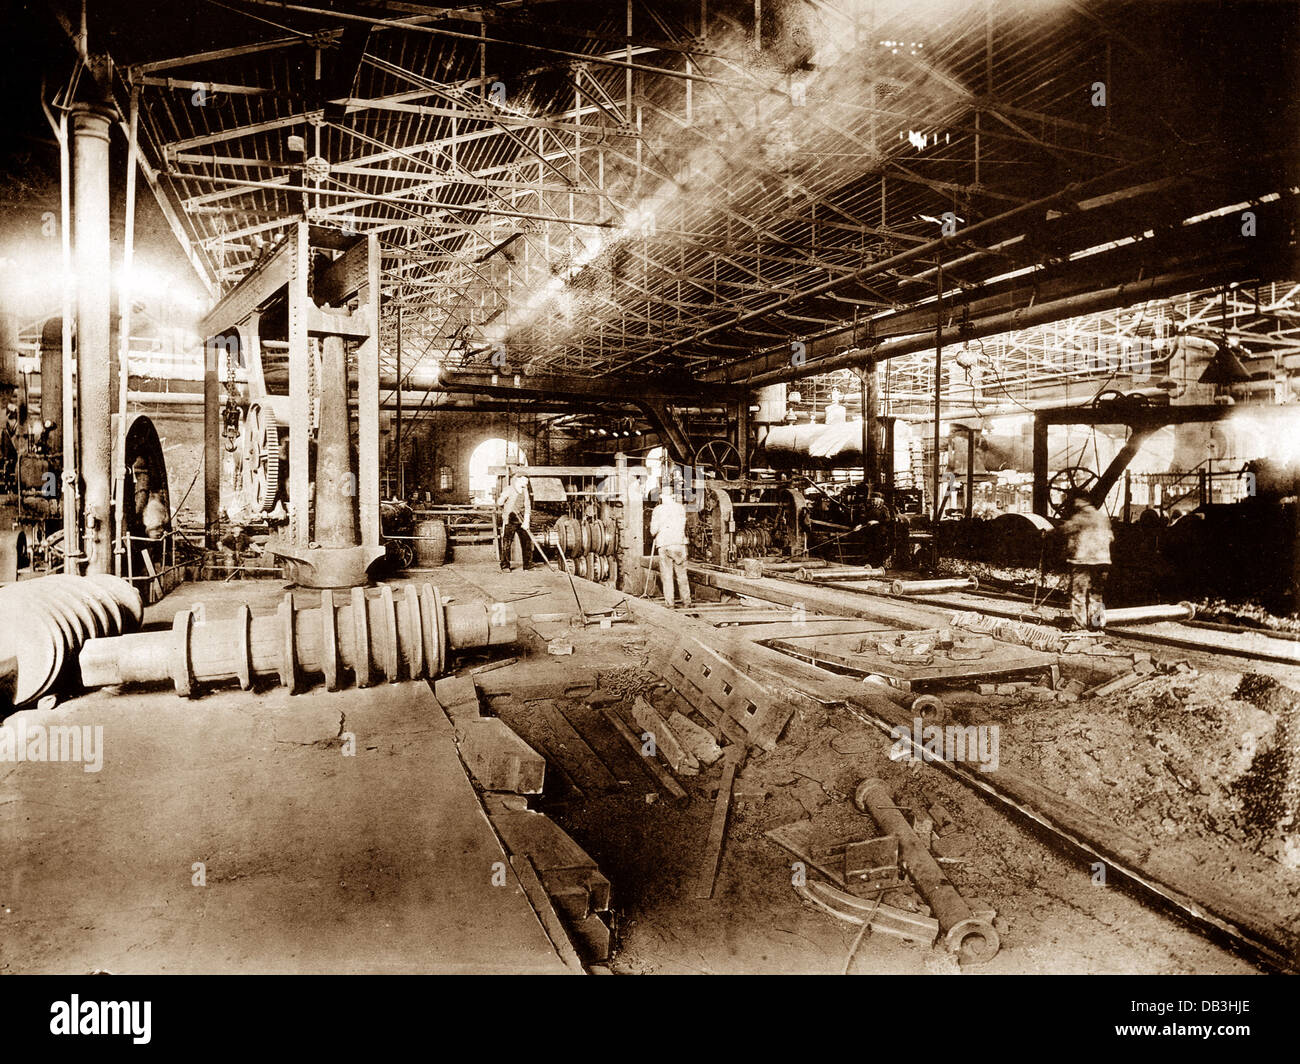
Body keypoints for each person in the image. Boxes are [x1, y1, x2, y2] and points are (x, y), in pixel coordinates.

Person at [1060, 493, 1113, 629]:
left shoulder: (1080, 517)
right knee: (1096, 594)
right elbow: (1111, 537)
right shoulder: (1102, 517)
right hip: (1103, 561)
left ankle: (1079, 625)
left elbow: (1064, 530)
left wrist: (1046, 533)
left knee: (1078, 594)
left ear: (1081, 501)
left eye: (1076, 501)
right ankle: (1096, 624)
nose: (1075, 504)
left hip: (1083, 562)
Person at [650, 485, 691, 609]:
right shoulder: (681, 508)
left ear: (662, 496)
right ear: (673, 496)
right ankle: (687, 602)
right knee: (682, 575)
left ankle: (670, 604)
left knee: (667, 576)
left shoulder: (658, 509)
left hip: (664, 545)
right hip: (679, 545)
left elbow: (653, 531)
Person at [498, 475, 532, 572]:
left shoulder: (525, 490)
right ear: (518, 479)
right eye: (525, 480)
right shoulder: (508, 489)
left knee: (527, 542)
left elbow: (527, 506)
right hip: (510, 519)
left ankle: (527, 565)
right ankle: (505, 565)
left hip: (521, 519)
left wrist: (526, 521)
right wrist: (502, 498)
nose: (527, 482)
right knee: (507, 543)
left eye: (527, 480)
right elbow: (499, 503)